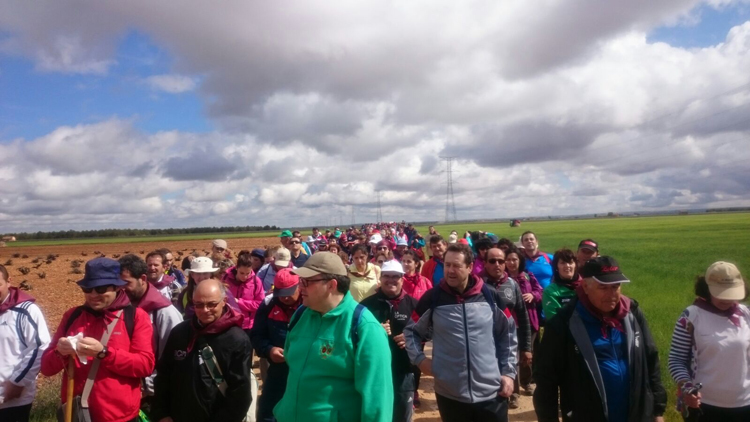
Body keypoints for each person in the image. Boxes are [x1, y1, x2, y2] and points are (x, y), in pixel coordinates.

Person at [533, 256, 666, 422]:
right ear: (586, 286)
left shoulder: (632, 314)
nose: (611, 294)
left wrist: (658, 410)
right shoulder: (564, 323)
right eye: (603, 287)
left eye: (616, 286)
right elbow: (546, 381)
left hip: (636, 415)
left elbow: (651, 359)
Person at [405, 243, 517, 422]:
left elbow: (509, 334)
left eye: (456, 265)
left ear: (470, 267)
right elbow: (411, 331)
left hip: (492, 393)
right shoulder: (433, 298)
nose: (450, 270)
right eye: (447, 265)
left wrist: (509, 373)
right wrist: (419, 359)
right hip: (450, 395)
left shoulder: (491, 296)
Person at [275, 252, 393, 422]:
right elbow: (291, 361)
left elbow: (377, 400)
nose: (300, 287)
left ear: (331, 285)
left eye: (306, 282)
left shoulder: (364, 328)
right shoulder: (300, 315)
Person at [41, 258, 155, 422]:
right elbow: (46, 368)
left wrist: (103, 353)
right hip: (77, 415)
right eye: (87, 289)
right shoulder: (72, 316)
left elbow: (145, 365)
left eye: (101, 289)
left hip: (120, 417)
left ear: (117, 287)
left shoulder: (136, 317)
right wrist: (61, 352)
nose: (93, 295)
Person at [152, 279, 252, 422]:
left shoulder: (237, 339)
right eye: (198, 305)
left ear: (224, 301)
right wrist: (161, 413)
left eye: (211, 304)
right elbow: (164, 376)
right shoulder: (180, 333)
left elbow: (240, 392)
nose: (205, 310)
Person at [668, 261, 750, 422]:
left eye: (731, 293)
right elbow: (676, 360)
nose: (727, 300)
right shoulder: (691, 317)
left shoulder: (746, 314)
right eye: (720, 293)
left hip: (745, 404)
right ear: (706, 289)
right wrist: (687, 388)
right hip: (704, 405)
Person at [118, 254, 183, 412]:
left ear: (142, 278)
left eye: (126, 283)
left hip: (155, 394)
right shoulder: (119, 309)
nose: (121, 289)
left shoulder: (164, 312)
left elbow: (175, 357)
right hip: (126, 391)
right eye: (118, 284)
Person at [361, 260, 419, 422]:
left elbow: (429, 330)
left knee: (401, 416)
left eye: (395, 276)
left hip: (403, 370)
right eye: (386, 276)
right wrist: (374, 330)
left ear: (402, 278)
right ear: (380, 278)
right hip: (374, 371)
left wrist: (412, 337)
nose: (391, 280)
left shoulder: (413, 304)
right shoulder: (366, 305)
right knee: (376, 415)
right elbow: (353, 333)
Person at [481, 247, 532, 409]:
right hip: (483, 342)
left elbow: (523, 317)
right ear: (485, 263)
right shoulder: (477, 285)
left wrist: (526, 347)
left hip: (509, 338)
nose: (497, 264)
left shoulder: (512, 284)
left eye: (501, 261)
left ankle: (513, 395)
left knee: (509, 369)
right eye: (492, 261)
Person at [250, 269, 303, 422]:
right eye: (281, 292)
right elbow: (256, 336)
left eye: (290, 291)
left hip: (305, 370)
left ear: (299, 286)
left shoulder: (309, 305)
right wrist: (269, 349)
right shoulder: (268, 304)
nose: (285, 297)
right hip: (278, 370)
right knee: (268, 412)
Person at [0, 265, 50, 422]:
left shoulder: (26, 311)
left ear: (9, 282)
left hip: (11, 400)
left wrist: (17, 384)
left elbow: (39, 347)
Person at [505, 247, 542, 396]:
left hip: (529, 322)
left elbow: (540, 291)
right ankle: (514, 392)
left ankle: (527, 382)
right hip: (509, 324)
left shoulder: (528, 276)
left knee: (527, 354)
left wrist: (533, 295)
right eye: (508, 260)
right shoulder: (502, 279)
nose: (511, 262)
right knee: (511, 356)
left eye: (515, 259)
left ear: (520, 261)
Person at [221, 252, 265, 362]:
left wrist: (239, 302)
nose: (245, 276)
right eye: (241, 273)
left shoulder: (256, 282)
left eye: (248, 273)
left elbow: (259, 304)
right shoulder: (225, 278)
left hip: (247, 326)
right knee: (229, 355)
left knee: (246, 358)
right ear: (236, 268)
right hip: (229, 323)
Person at [542, 248, 583, 321]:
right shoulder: (550, 291)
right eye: (563, 263)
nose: (567, 266)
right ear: (556, 267)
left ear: (575, 265)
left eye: (570, 262)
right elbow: (554, 319)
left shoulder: (585, 286)